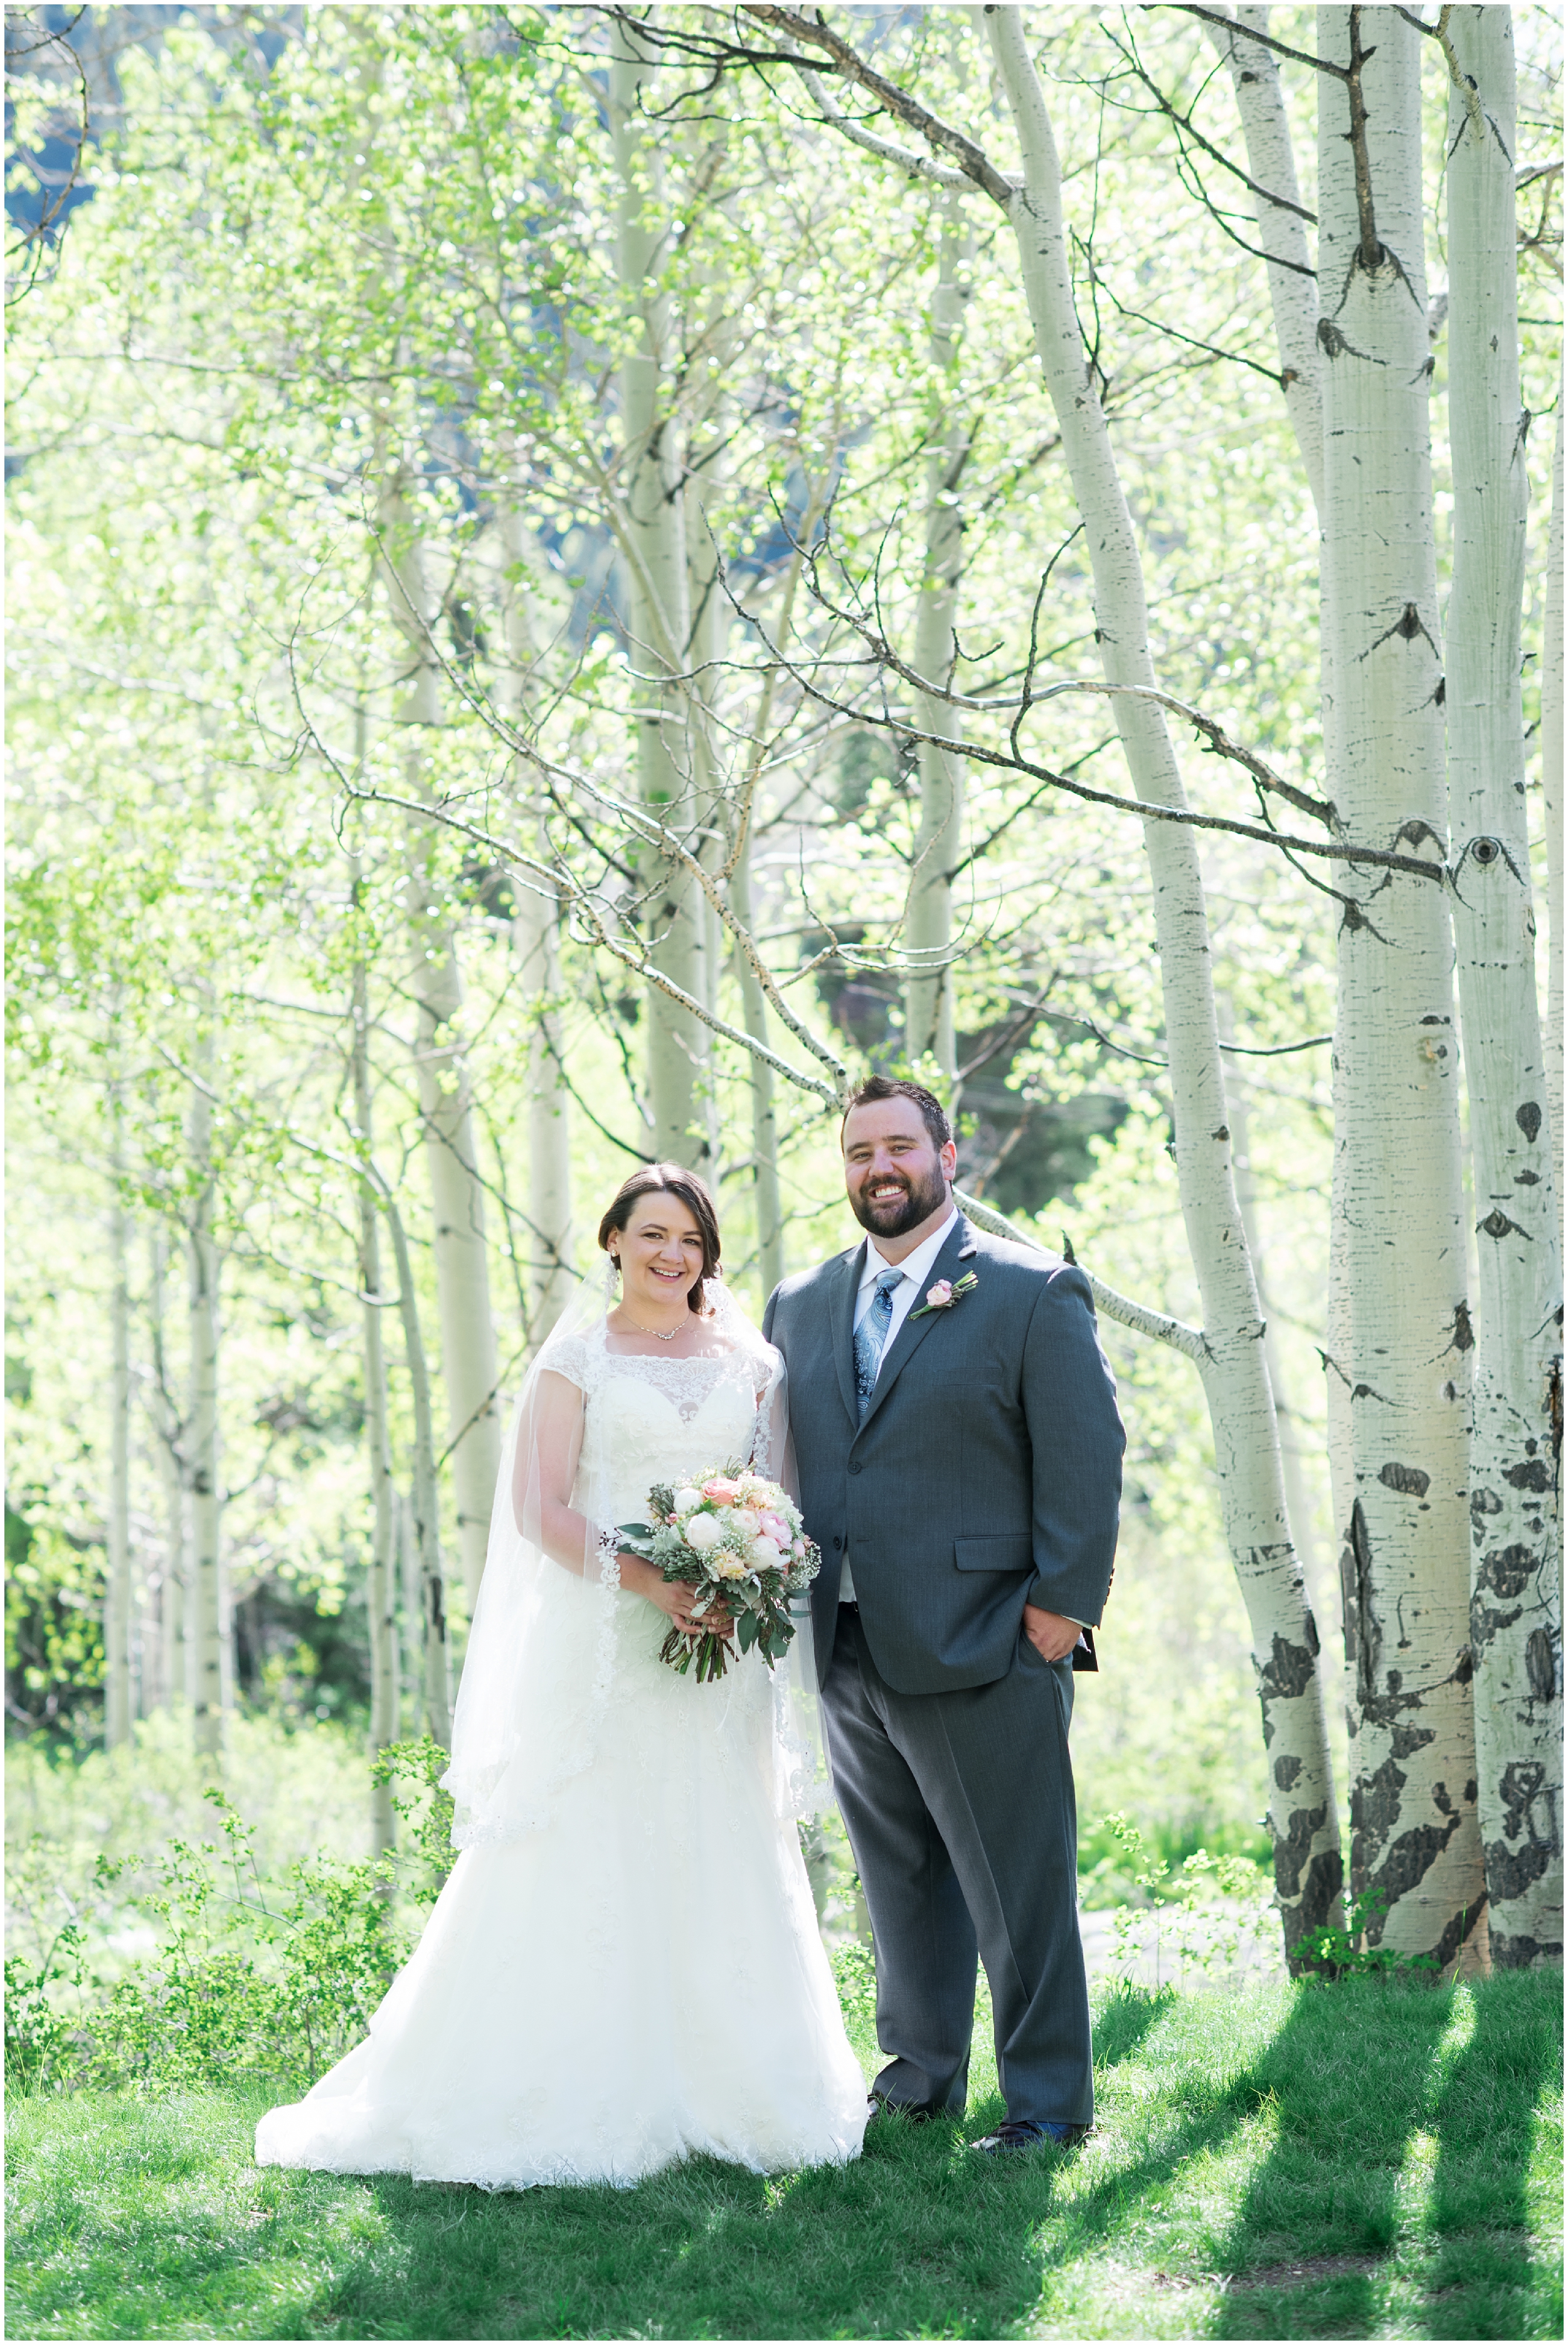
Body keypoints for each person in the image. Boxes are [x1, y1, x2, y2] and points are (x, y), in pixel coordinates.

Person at [255, 1164, 866, 2191]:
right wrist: (652, 1580)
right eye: (653, 1234)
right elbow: (541, 1509)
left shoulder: (756, 1360)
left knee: (720, 1831)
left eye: (692, 1240)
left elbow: (779, 1496)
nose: (673, 1255)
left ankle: (736, 2081)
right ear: (615, 1241)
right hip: (602, 1648)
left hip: (719, 1654)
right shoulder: (577, 1360)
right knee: (590, 1831)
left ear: (709, 1255)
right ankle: (559, 2075)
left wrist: (740, 1571)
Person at [763, 1076, 1124, 2153]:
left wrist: (1061, 1610)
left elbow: (1087, 1454)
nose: (879, 1168)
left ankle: (1049, 2106)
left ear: (948, 1155)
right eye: (858, 1151)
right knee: (901, 1883)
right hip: (848, 1641)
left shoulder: (1029, 1290)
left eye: (899, 1148)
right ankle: (920, 2080)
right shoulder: (802, 1301)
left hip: (988, 1637)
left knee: (1019, 1891)